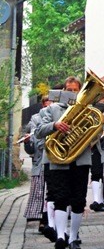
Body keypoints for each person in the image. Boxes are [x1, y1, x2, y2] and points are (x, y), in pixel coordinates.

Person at [35, 75, 88, 249]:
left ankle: (73, 237)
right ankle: (60, 236)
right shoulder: (51, 109)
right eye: (69, 90)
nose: (72, 93)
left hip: (80, 159)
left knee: (79, 200)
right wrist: (55, 125)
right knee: (60, 198)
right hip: (57, 160)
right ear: (63, 91)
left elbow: (96, 137)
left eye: (75, 90)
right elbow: (38, 131)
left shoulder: (87, 110)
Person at [23, 95, 53, 232]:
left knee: (52, 192)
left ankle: (47, 220)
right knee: (39, 191)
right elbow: (32, 148)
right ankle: (41, 219)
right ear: (42, 106)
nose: (48, 108)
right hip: (40, 161)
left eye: (50, 105)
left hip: (54, 159)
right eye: (46, 105)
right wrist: (28, 142)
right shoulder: (35, 119)